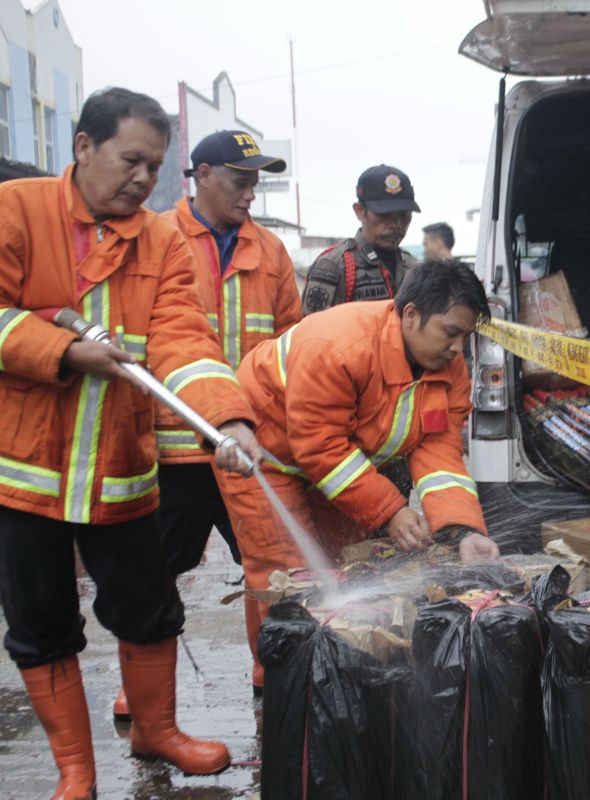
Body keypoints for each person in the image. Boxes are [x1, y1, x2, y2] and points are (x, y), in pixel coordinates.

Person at [0, 87, 264, 797]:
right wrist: (59, 350)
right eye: (131, 160)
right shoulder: (16, 210)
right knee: (43, 624)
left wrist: (229, 418)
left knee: (150, 609)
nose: (144, 179)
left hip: (121, 472)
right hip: (23, 475)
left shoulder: (160, 239)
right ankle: (75, 771)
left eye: (155, 166)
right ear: (82, 146)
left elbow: (184, 337)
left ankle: (158, 732)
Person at [97, 131, 304, 723]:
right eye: (240, 181)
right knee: (154, 568)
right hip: (172, 444)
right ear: (203, 175)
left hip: (247, 443)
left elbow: (291, 343)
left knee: (271, 564)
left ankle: (273, 665)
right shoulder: (153, 238)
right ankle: (139, 685)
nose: (250, 194)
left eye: (256, 182)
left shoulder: (270, 251)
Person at [216, 261, 498, 692]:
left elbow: (439, 450)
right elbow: (319, 446)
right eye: (450, 332)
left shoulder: (448, 368)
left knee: (337, 568)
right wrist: (390, 513)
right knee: (288, 575)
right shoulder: (339, 345)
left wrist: (461, 530)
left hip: (336, 463)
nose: (458, 349)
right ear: (410, 315)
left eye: (466, 337)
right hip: (263, 458)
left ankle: (329, 673)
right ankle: (277, 681)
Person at [301, 164, 421, 314]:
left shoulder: (414, 268)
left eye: (403, 215)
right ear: (359, 211)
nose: (396, 224)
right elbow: (312, 331)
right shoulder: (334, 265)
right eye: (384, 214)